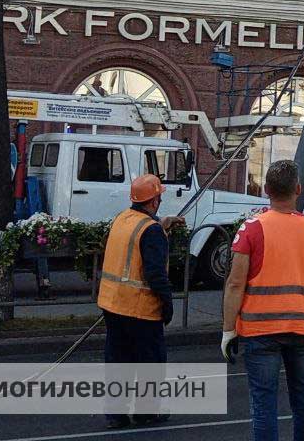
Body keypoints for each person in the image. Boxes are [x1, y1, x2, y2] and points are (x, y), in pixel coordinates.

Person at [222, 160, 304, 441]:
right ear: (298, 189)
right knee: (303, 397)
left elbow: (235, 284)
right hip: (303, 327)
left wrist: (228, 330)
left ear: (267, 190)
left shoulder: (252, 229)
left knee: (264, 403)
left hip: (260, 332)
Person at [96, 174, 181, 430]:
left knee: (118, 360)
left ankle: (116, 414)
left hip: (112, 303)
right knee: (149, 363)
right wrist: (167, 304)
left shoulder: (123, 219)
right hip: (140, 308)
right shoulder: (151, 230)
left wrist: (161, 224)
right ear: (154, 200)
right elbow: (155, 273)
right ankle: (146, 412)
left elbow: (136, 241)